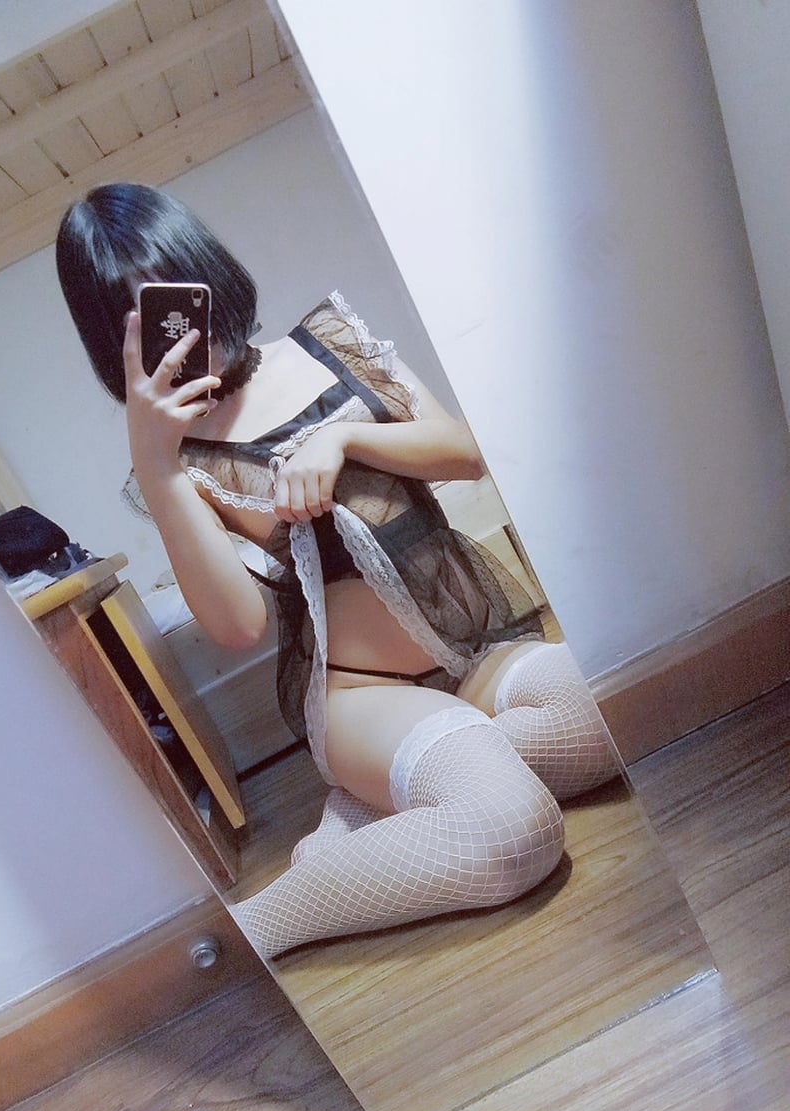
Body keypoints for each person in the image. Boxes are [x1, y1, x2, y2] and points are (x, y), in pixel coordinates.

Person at [56, 182, 619, 958]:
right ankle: (261, 923)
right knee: (513, 835)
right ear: (112, 344)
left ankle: (394, 806)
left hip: (475, 653)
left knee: (613, 711)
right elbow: (237, 626)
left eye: (180, 296)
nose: (182, 336)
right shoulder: (176, 465)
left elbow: (463, 452)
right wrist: (156, 467)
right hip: (361, 696)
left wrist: (344, 440)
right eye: (144, 323)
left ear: (209, 274)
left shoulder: (331, 341)